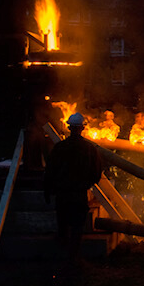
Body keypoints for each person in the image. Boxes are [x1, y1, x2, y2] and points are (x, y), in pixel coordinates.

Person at [44, 112, 104, 263]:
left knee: (63, 225)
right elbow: (96, 172)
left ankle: (62, 257)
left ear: (69, 128)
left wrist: (48, 190)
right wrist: (86, 184)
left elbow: (50, 170)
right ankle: (73, 257)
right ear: (82, 128)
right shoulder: (90, 149)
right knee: (77, 227)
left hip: (62, 195)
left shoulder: (59, 148)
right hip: (79, 195)